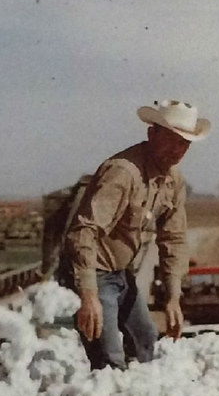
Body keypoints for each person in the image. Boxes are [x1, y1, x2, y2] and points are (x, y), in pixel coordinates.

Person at [62, 99, 210, 370]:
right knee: (109, 358)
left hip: (120, 274)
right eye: (172, 140)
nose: (177, 151)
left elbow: (174, 238)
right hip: (92, 271)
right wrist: (88, 295)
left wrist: (173, 297)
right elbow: (84, 231)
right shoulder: (123, 172)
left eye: (184, 145)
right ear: (152, 133)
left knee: (145, 339)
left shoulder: (173, 180)